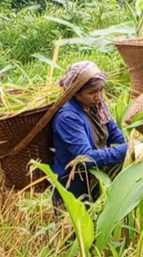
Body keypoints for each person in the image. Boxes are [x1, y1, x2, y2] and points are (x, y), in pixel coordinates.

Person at [51, 61, 128, 206]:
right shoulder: (68, 117)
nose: (98, 96)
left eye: (101, 90)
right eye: (92, 92)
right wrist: (127, 149)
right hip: (73, 184)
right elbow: (86, 157)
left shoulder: (97, 107)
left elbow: (115, 134)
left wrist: (135, 144)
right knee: (76, 226)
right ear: (75, 92)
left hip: (95, 177)